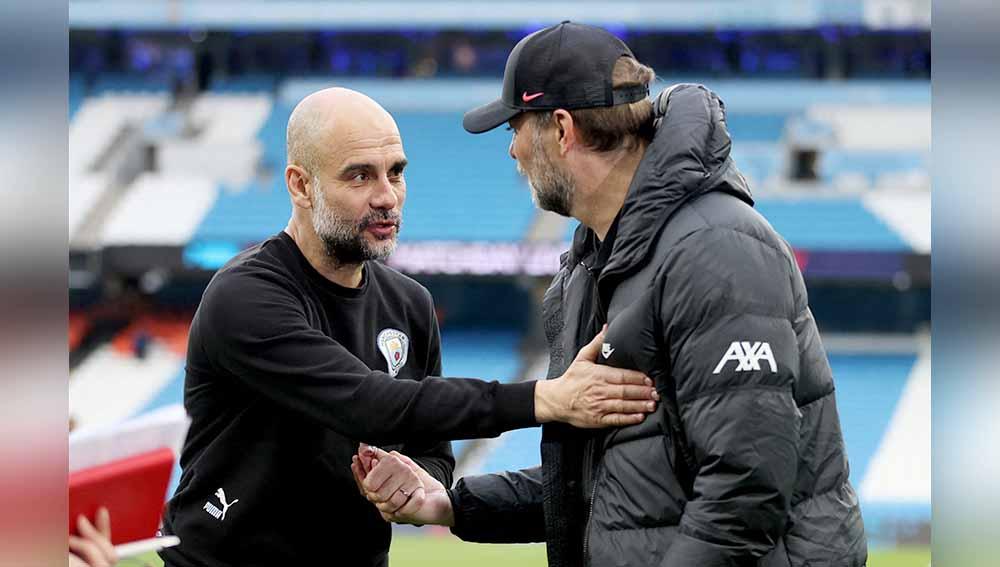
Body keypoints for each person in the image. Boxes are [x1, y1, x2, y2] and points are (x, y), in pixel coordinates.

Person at [353, 22, 867, 567]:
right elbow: (603, 485)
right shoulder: (597, 262)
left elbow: (744, 492)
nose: (513, 151)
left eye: (515, 128)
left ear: (561, 129)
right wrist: (452, 505)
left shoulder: (715, 248)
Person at [157, 87, 657, 567]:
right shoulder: (246, 296)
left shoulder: (410, 303)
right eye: (359, 176)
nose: (386, 196)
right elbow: (368, 403)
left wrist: (417, 481)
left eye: (395, 173)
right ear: (301, 185)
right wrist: (545, 398)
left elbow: (432, 451)